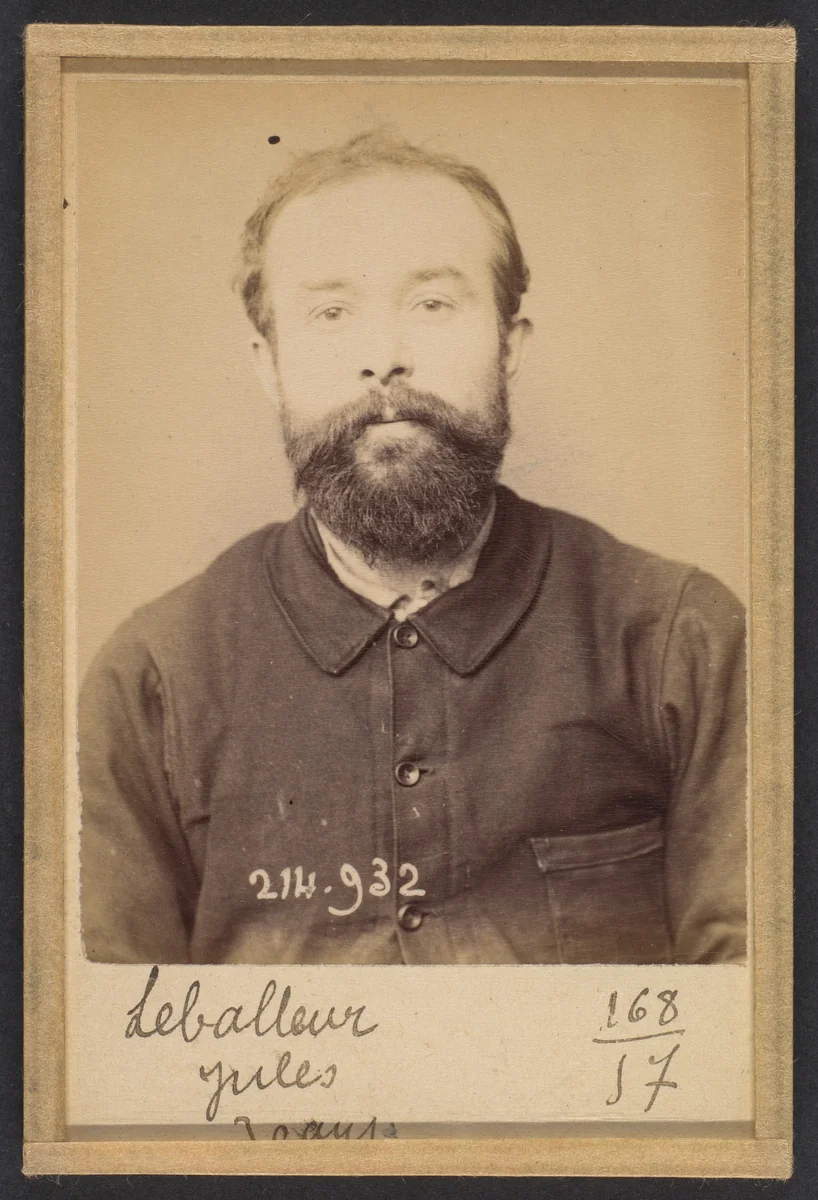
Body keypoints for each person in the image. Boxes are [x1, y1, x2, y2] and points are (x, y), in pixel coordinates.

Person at [79, 129, 747, 966]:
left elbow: (757, 1035)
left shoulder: (682, 642)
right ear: (268, 365)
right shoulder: (152, 679)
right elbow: (105, 1057)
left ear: (510, 345)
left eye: (432, 304)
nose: (383, 358)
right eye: (331, 312)